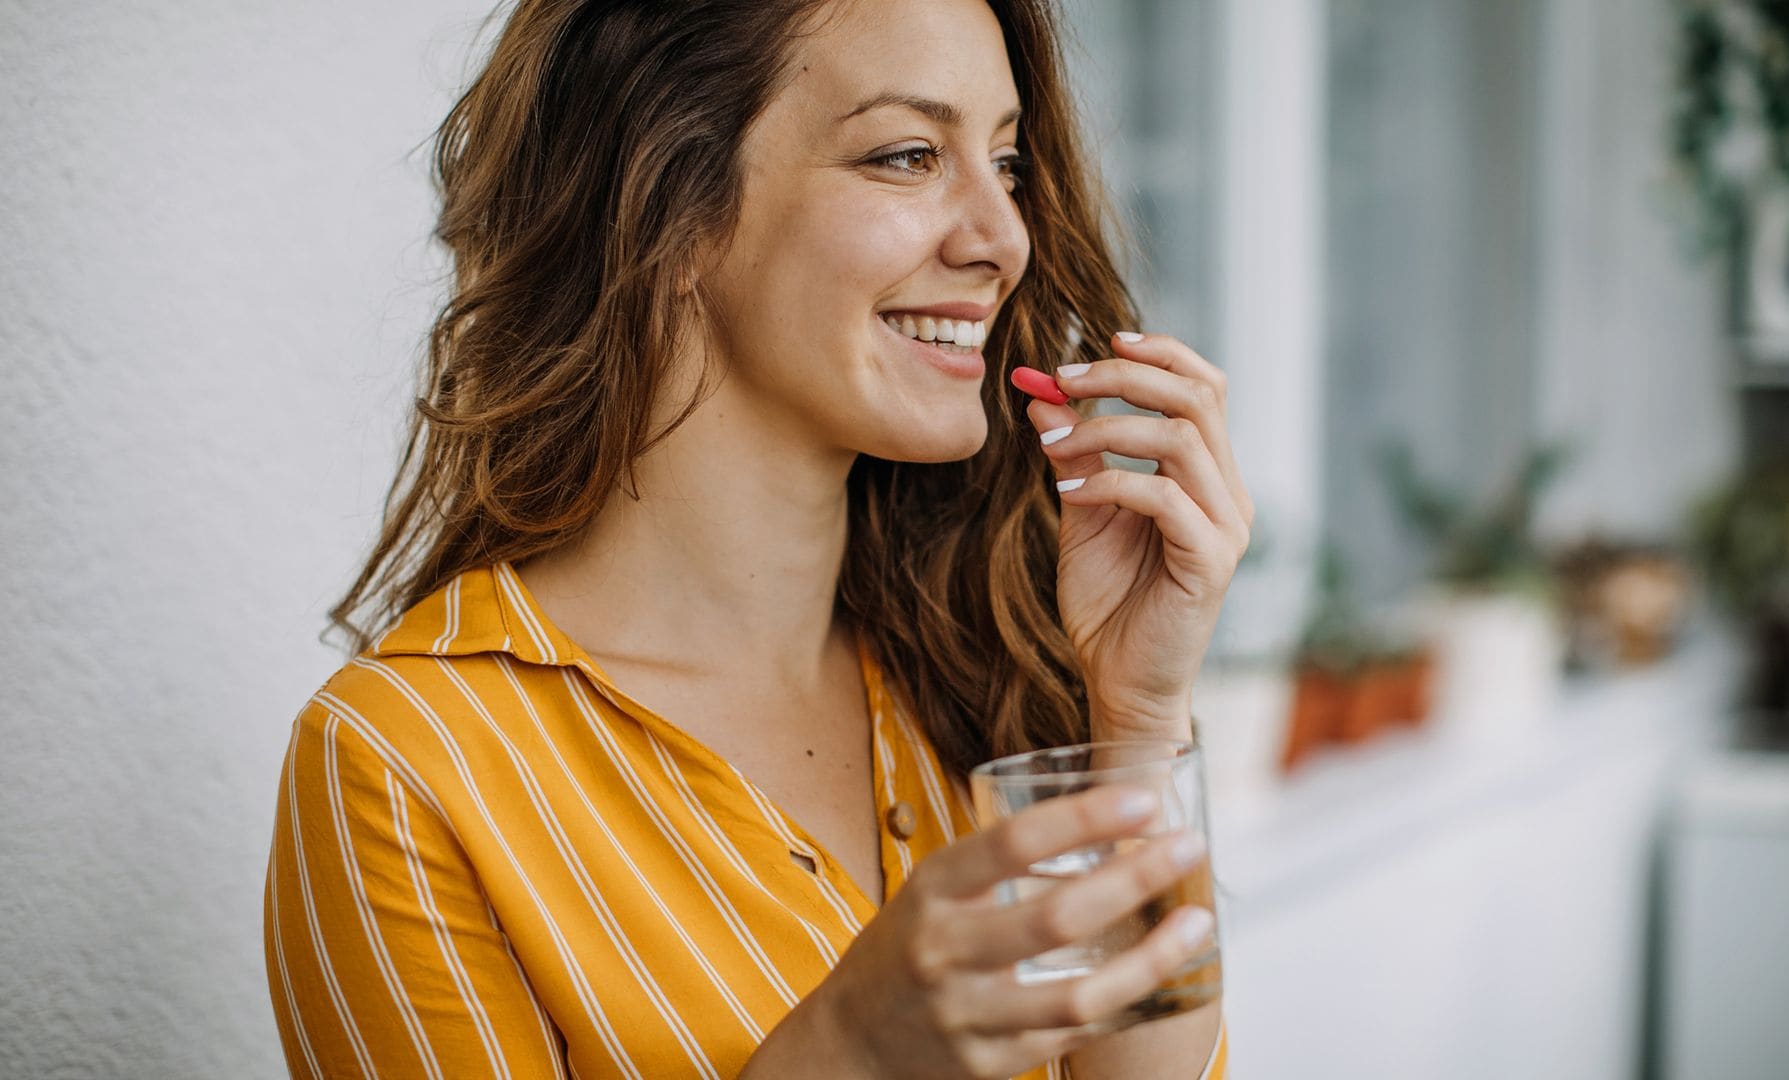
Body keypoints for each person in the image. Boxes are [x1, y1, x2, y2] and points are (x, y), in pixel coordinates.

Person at [263, 0, 1253, 1075]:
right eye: (908, 155)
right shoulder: (409, 764)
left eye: (1007, 163)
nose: (1003, 240)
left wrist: (1137, 717)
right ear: (669, 211)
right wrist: (850, 1050)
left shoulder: (985, 675)